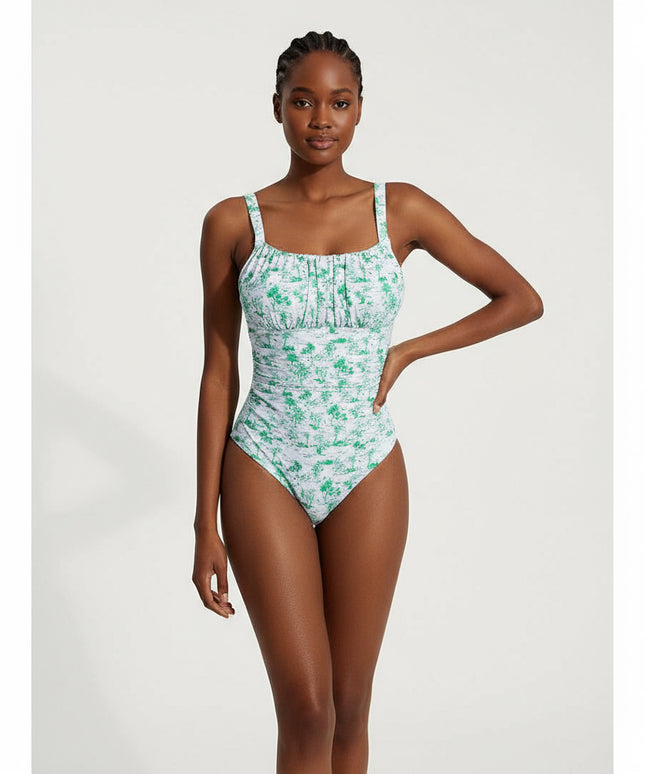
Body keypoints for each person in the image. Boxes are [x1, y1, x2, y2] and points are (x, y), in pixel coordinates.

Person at [192, 30, 543, 774]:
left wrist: (408, 350)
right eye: (303, 101)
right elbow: (218, 373)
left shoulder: (399, 209)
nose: (321, 119)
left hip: (367, 462)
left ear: (359, 110)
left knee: (349, 708)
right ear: (277, 108)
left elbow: (519, 299)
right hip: (264, 459)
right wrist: (203, 525)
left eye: (339, 102)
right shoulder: (233, 222)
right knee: (307, 708)